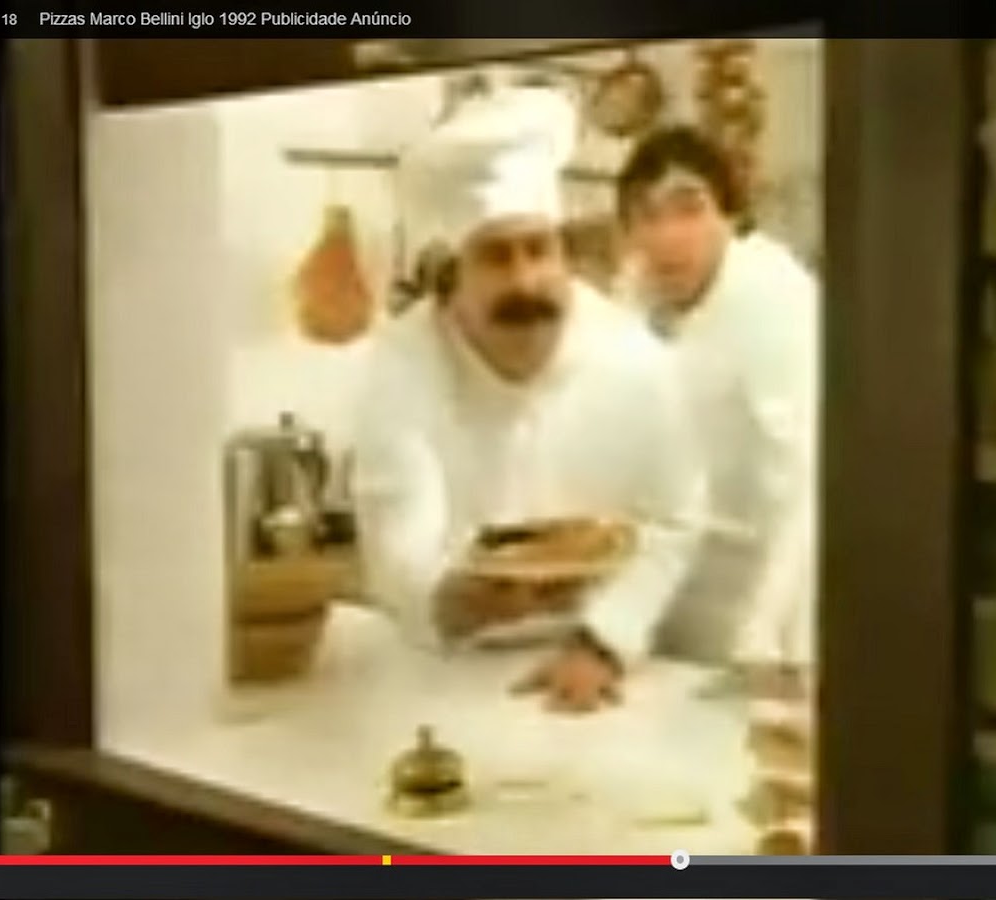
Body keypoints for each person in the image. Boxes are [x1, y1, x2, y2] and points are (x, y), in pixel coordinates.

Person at [352, 86, 706, 713]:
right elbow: (395, 530)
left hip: (600, 666)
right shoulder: (405, 363)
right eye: (496, 256)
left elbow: (676, 521)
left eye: (539, 250)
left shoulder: (634, 358)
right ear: (450, 273)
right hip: (450, 669)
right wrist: (449, 599)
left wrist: (604, 641)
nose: (526, 281)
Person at [613, 125, 821, 688]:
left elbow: (810, 477)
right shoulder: (634, 302)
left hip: (759, 614)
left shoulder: (773, 299)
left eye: (690, 209)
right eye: (646, 214)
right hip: (667, 613)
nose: (667, 236)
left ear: (730, 216)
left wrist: (768, 636)